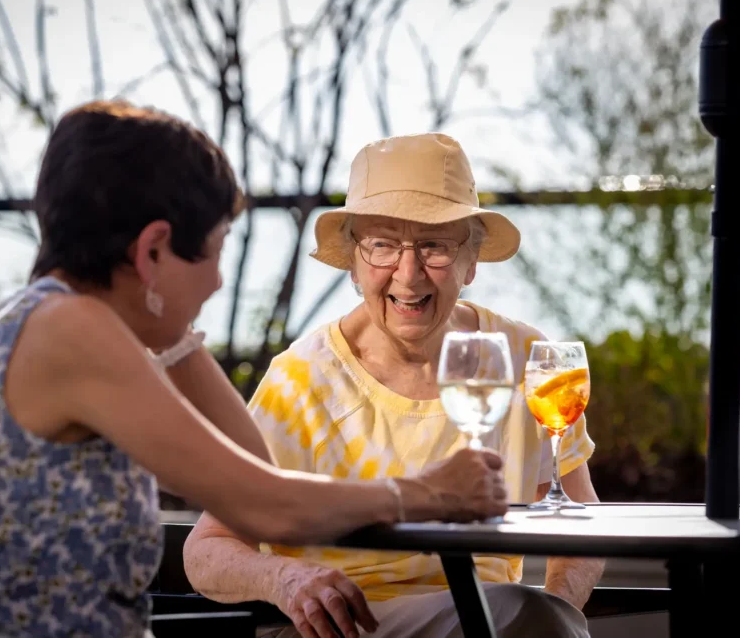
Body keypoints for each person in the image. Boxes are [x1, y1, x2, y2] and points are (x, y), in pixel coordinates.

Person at [0, 104, 510, 638]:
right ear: (153, 249)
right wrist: (428, 493)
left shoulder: (68, 324)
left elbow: (254, 467)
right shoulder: (69, 332)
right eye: (214, 250)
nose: (216, 280)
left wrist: (174, 332)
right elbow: (267, 507)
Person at [183, 133, 606, 638]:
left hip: (487, 620)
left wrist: (555, 610)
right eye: (383, 245)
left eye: (434, 246)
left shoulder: (523, 357)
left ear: (471, 262)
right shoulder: (304, 379)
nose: (408, 275)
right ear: (355, 265)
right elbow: (206, 548)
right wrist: (285, 579)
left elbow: (579, 524)